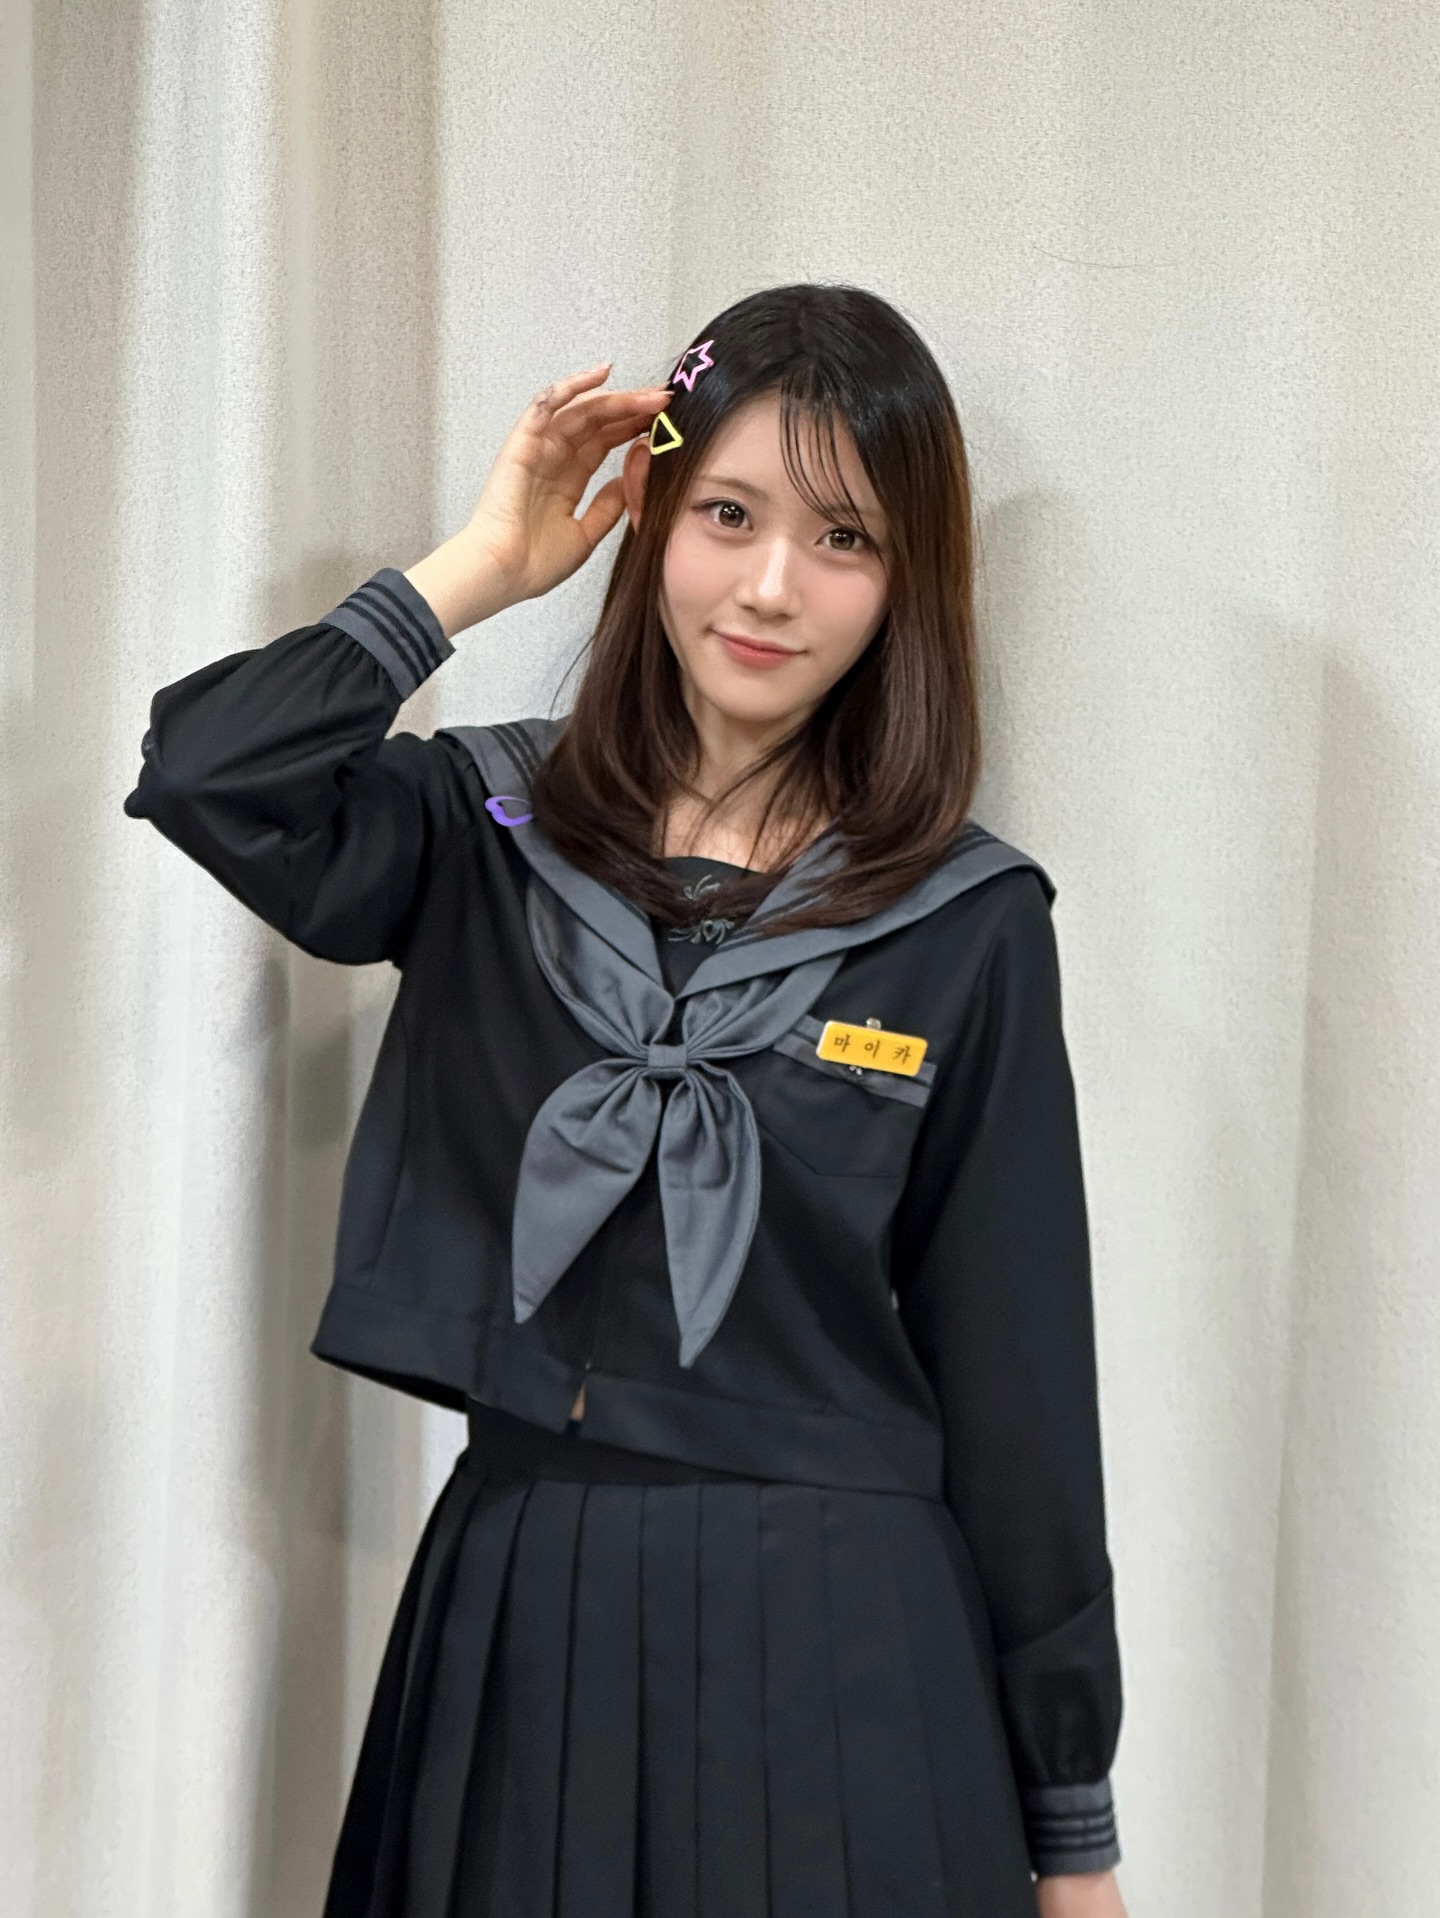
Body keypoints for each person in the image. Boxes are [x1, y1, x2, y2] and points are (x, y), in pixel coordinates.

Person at [124, 283, 1127, 1918]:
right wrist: (477, 569)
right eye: (728, 513)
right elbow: (208, 773)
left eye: (846, 539)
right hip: (529, 1613)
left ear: (906, 585)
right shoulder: (485, 830)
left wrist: (1071, 1834)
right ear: (652, 516)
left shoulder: (969, 922)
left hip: (853, 1657)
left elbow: (1025, 1395)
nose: (773, 585)